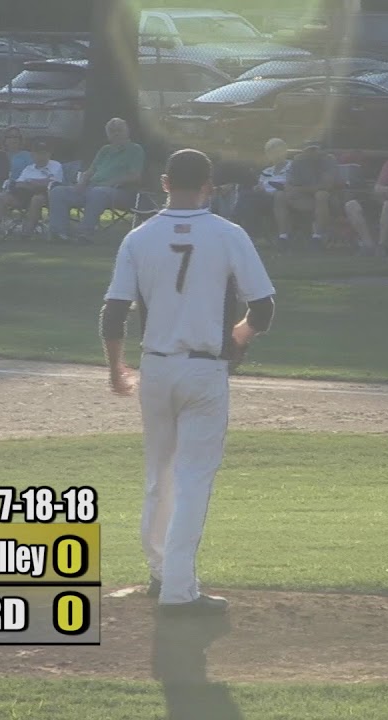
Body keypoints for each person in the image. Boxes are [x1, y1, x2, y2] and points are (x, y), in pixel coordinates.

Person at [100, 148, 276, 616]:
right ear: (210, 187)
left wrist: (116, 368)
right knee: (193, 478)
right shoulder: (227, 233)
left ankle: (159, 573)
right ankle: (180, 589)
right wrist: (237, 338)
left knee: (159, 475)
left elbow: (113, 314)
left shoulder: (138, 237)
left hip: (154, 368)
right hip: (204, 370)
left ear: (163, 182)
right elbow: (263, 309)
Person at [48, 117, 145, 242]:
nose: (116, 133)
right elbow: (90, 171)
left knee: (98, 192)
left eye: (119, 130)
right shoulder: (105, 150)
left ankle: (84, 233)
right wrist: (81, 183)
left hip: (121, 192)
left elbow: (135, 176)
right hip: (93, 189)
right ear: (108, 134)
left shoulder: (135, 149)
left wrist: (110, 183)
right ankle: (59, 233)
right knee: (58, 192)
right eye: (112, 131)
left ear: (127, 132)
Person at [0, 139, 63, 239]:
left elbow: (52, 182)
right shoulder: (28, 168)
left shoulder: (56, 165)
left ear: (49, 154)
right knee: (3, 198)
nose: (41, 156)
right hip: (24, 194)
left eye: (44, 153)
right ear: (32, 155)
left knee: (36, 199)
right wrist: (34, 183)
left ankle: (26, 234)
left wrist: (31, 182)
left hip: (46, 194)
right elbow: (19, 184)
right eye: (38, 153)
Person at [272, 141, 337, 250]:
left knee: (321, 195)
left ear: (320, 150)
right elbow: (289, 184)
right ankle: (283, 237)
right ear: (304, 151)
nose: (312, 153)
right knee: (279, 195)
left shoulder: (329, 160)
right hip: (303, 198)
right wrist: (291, 191)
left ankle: (317, 238)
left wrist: (298, 189)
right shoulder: (297, 162)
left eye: (314, 149)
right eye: (309, 150)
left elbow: (326, 186)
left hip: (327, 201)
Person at [233, 138, 291, 239]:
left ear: (285, 151)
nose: (275, 155)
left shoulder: (292, 166)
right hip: (264, 198)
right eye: (271, 152)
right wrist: (257, 188)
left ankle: (241, 230)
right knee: (245, 194)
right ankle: (246, 233)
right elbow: (260, 185)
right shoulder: (267, 171)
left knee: (246, 198)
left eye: (278, 152)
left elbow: (293, 184)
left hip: (282, 197)